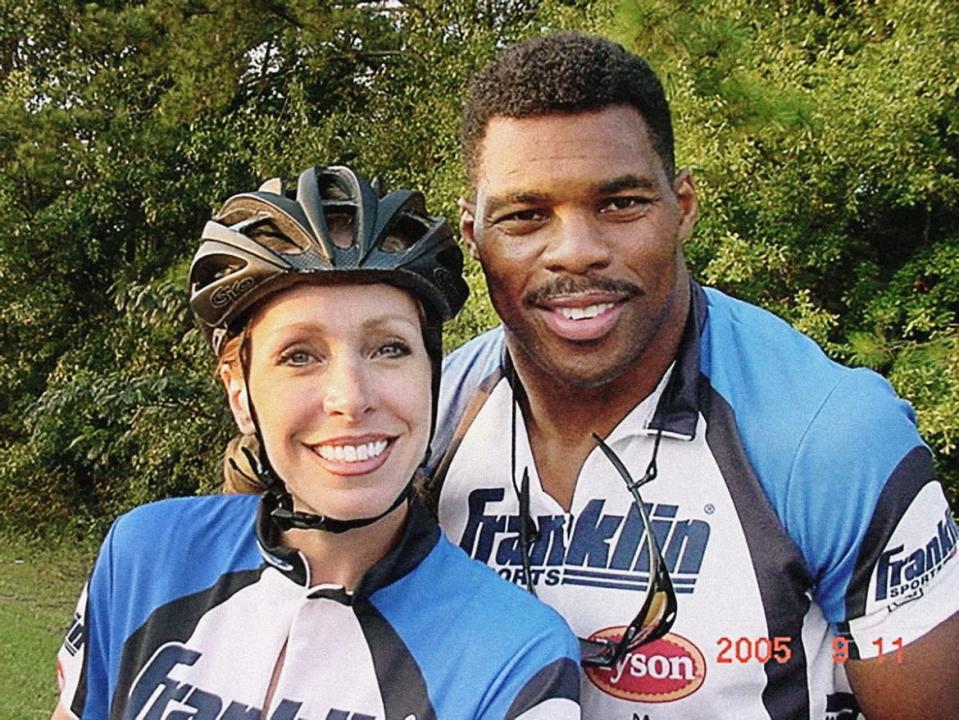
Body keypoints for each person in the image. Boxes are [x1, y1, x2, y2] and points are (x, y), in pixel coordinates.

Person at [428, 32, 959, 720]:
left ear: (682, 208)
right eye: (525, 216)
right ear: (473, 236)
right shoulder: (425, 418)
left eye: (619, 204)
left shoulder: (830, 436)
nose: (576, 252)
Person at [52, 165, 582, 719]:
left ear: (431, 374)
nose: (350, 399)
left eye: (389, 348)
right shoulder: (147, 555)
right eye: (300, 355)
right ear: (240, 391)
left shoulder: (518, 654)